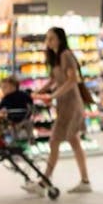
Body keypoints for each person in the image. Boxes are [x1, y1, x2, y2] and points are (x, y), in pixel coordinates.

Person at [26, 27, 92, 194]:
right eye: (47, 39)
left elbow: (72, 80)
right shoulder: (55, 57)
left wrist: (53, 95)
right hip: (64, 104)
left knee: (54, 141)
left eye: (51, 39)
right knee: (74, 142)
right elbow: (54, 79)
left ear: (60, 40)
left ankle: (45, 181)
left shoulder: (66, 55)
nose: (48, 42)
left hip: (71, 104)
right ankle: (85, 181)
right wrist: (40, 92)